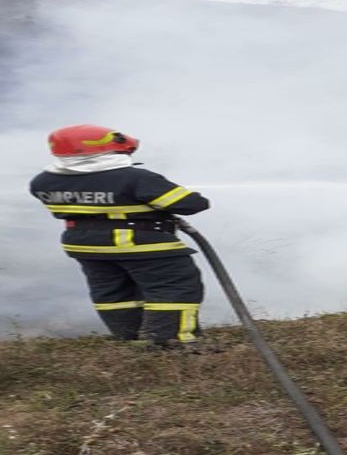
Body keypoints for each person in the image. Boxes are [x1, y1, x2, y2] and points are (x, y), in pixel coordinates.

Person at [30, 124, 212, 348]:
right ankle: (172, 343)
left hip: (86, 247)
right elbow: (191, 204)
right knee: (174, 288)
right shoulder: (134, 178)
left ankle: (131, 339)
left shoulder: (42, 181)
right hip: (142, 244)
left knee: (113, 294)